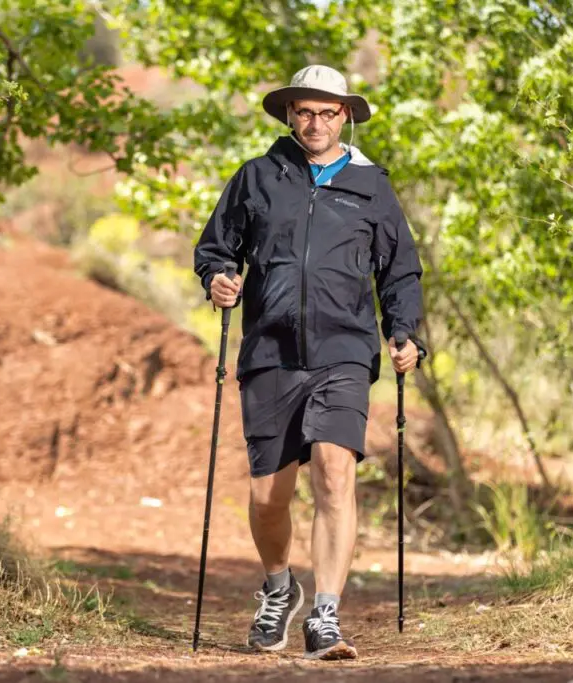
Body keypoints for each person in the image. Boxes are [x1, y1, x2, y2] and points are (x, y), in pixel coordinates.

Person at [193, 64, 425, 661]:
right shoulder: (257, 178)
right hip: (269, 351)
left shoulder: (373, 187)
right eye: (304, 111)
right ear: (289, 115)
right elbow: (217, 248)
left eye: (327, 112)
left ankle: (326, 616)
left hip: (345, 350)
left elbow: (399, 271)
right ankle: (278, 589)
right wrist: (219, 278)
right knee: (269, 496)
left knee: (333, 472)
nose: (315, 122)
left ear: (345, 114)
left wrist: (404, 332)